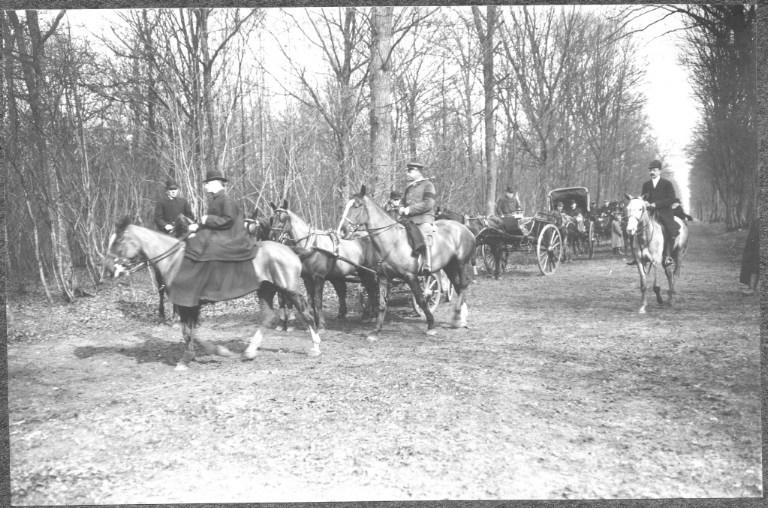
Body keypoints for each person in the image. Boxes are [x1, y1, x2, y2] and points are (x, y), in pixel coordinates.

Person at [185, 170, 253, 262]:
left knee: (202, 244)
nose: (205, 186)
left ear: (215, 183)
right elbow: (213, 223)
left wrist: (208, 219)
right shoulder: (216, 200)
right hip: (220, 235)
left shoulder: (226, 200)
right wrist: (197, 227)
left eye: (207, 184)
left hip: (230, 238)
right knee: (194, 239)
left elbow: (228, 220)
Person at [640, 159, 680, 267]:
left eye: (654, 170)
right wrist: (645, 203)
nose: (652, 172)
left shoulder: (667, 184)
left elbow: (671, 199)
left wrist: (656, 204)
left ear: (659, 171)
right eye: (650, 170)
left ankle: (667, 256)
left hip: (664, 212)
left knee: (670, 230)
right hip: (649, 213)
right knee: (638, 228)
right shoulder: (646, 185)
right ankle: (638, 255)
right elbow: (643, 197)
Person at [398, 161, 436, 275]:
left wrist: (410, 209)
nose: (407, 173)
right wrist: (400, 208)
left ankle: (427, 264)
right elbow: (402, 202)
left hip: (423, 218)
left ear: (418, 171)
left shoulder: (428, 185)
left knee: (424, 235)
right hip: (408, 220)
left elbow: (429, 203)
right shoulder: (408, 187)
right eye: (407, 170)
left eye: (410, 170)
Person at [739, 218, 759, 295]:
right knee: (754, 264)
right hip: (757, 246)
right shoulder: (757, 221)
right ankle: (751, 287)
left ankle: (752, 287)